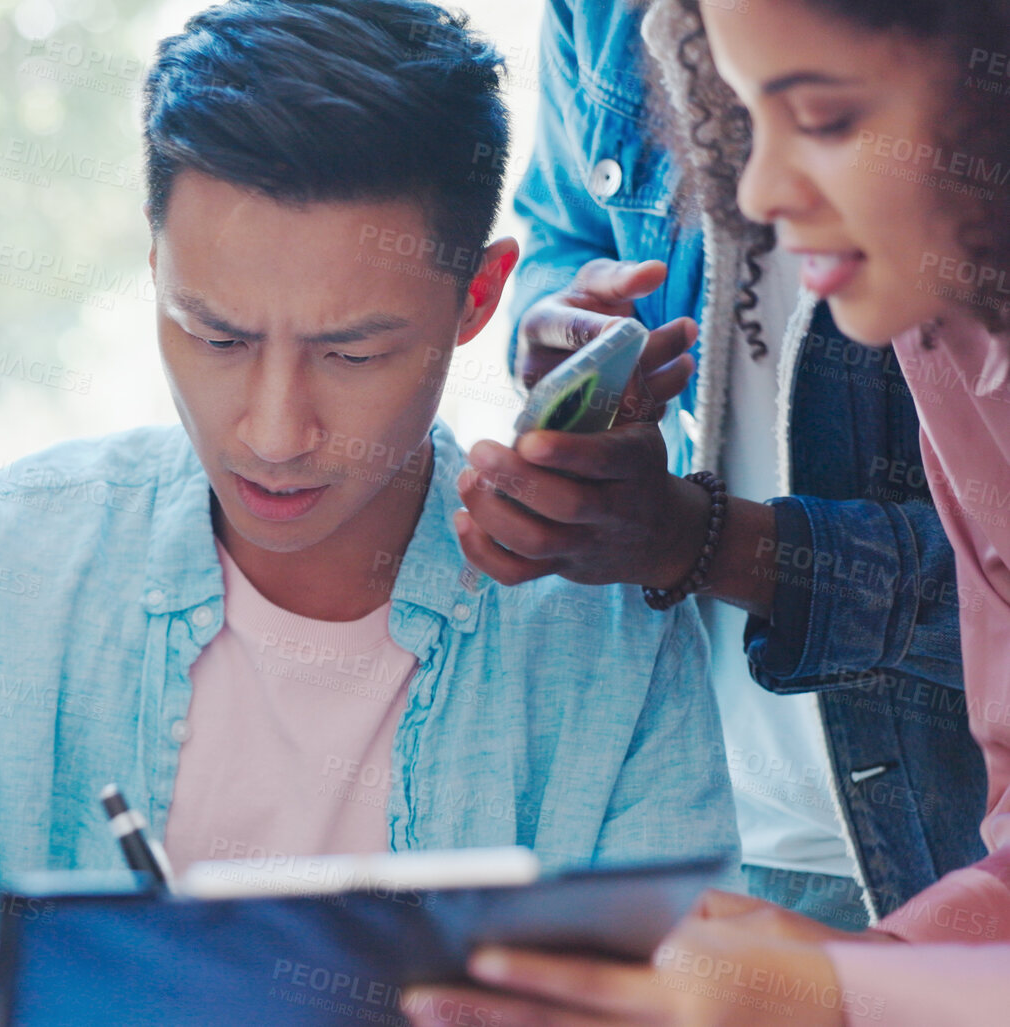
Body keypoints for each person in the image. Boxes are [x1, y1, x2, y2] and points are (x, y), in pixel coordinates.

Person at [0, 1, 737, 1022]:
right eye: (215, 336)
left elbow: (702, 981)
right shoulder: (2, 562)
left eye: (351, 354)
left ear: (479, 298)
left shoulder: (603, 625)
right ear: (155, 263)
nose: (272, 432)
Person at [405, 0, 1010, 1022]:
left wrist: (849, 990)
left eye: (818, 116)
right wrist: (863, 980)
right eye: (735, 118)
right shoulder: (947, 347)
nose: (757, 193)